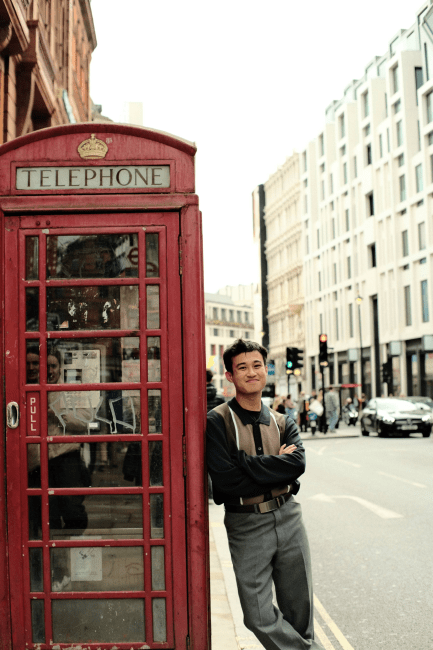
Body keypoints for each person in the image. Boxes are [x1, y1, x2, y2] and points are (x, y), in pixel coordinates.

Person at [206, 339, 323, 650]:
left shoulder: (282, 420)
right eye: (242, 367)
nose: (251, 372)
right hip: (246, 523)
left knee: (300, 611)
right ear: (230, 375)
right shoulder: (217, 421)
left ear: (266, 370)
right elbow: (226, 483)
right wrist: (276, 470)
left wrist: (245, 463)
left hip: (289, 517)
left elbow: (297, 464)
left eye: (257, 365)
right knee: (257, 615)